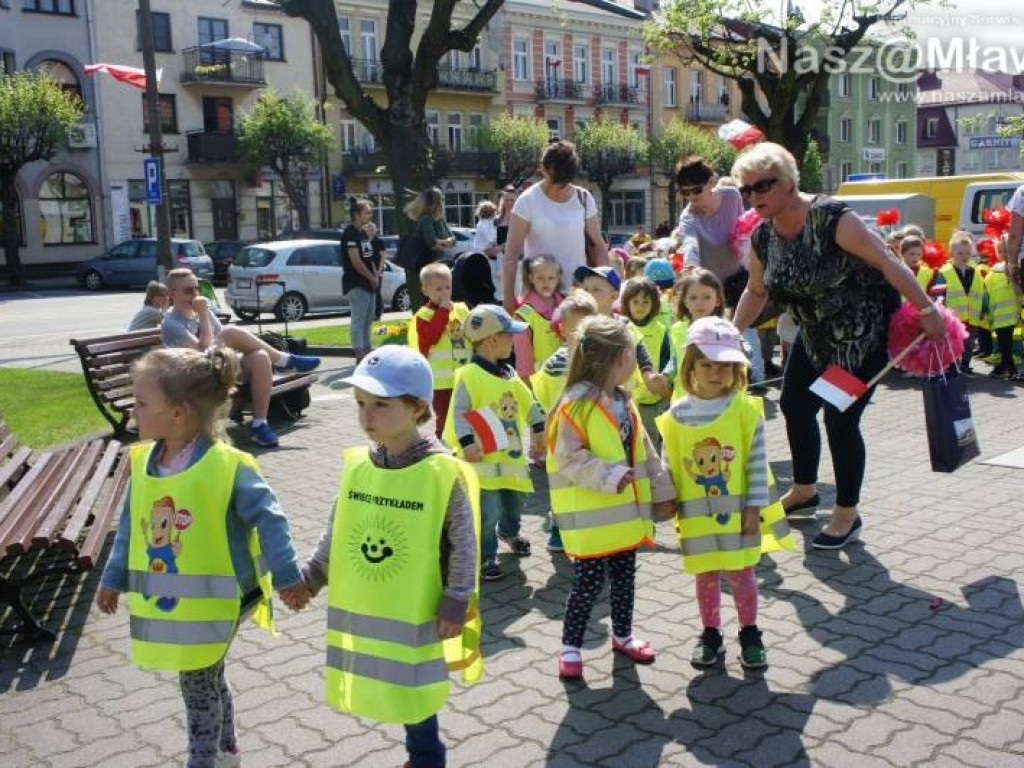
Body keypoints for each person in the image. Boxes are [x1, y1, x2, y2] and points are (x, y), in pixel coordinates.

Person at [96, 346, 310, 768]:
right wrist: (112, 578)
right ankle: (227, 751)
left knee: (196, 684)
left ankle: (204, 760)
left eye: (141, 403)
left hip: (224, 599)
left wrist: (287, 577)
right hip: (185, 607)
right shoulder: (145, 464)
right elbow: (129, 528)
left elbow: (270, 520)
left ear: (178, 412)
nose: (132, 411)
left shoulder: (227, 465)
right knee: (207, 677)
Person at [730, 142, 946, 550]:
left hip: (860, 339)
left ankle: (847, 512)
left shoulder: (833, 219)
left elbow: (887, 261)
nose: (754, 196)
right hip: (814, 338)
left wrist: (926, 309)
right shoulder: (762, 235)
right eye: (746, 190)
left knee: (838, 417)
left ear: (789, 182)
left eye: (762, 186)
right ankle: (805, 489)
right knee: (794, 405)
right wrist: (727, 334)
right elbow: (757, 292)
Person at [301, 345, 481, 768]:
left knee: (416, 686)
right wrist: (313, 573)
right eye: (360, 403)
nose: (366, 416)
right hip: (379, 604)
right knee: (396, 679)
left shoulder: (442, 470)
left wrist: (457, 597)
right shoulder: (361, 465)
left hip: (424, 606)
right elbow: (338, 525)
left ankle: (427, 758)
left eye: (380, 405)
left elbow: (463, 541)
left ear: (417, 406)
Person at [656, 317, 795, 670]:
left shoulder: (745, 409)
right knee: (706, 575)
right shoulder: (676, 414)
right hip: (696, 519)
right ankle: (711, 633)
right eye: (707, 365)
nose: (716, 372)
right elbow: (668, 460)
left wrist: (754, 506)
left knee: (742, 574)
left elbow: (756, 461)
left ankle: (750, 632)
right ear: (690, 366)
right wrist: (666, 498)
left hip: (738, 518)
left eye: (725, 366)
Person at [547, 316, 676, 678]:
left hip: (625, 517)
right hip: (593, 519)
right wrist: (612, 476)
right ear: (621, 357)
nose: (638, 361)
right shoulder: (575, 405)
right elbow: (568, 458)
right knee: (586, 585)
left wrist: (663, 493)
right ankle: (570, 647)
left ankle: (623, 635)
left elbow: (646, 450)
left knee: (624, 579)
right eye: (635, 353)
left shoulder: (624, 401)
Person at [160, 268, 321, 448]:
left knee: (260, 357)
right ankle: (284, 361)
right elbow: (203, 350)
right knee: (229, 332)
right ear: (172, 294)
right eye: (188, 290)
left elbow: (220, 343)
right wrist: (204, 314)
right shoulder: (171, 323)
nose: (195, 294)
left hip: (218, 367)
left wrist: (206, 316)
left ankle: (260, 424)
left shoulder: (201, 309)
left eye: (197, 288)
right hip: (195, 378)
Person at [444, 305, 546, 581]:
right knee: (488, 511)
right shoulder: (469, 376)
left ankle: (510, 533)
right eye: (509, 336)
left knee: (515, 503)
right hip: (482, 461)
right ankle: (486, 556)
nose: (514, 341)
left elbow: (529, 402)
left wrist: (539, 428)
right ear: (492, 339)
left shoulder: (509, 374)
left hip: (510, 458)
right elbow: (459, 412)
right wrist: (467, 444)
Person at [530, 290, 600, 554]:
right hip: (560, 438)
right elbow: (541, 398)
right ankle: (559, 529)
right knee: (561, 485)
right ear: (562, 329)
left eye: (588, 328)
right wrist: (542, 432)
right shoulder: (554, 365)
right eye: (575, 329)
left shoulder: (600, 362)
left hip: (593, 437)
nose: (581, 336)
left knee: (589, 482)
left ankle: (589, 529)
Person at [503, 140, 608, 312]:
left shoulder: (583, 198)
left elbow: (598, 246)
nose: (560, 187)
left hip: (578, 296)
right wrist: (508, 298)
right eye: (555, 180)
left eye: (564, 182)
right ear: (542, 169)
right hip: (539, 297)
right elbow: (511, 254)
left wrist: (602, 287)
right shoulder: (527, 201)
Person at [572, 264, 671, 401]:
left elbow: (640, 351)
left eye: (596, 289)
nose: (588, 293)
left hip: (621, 398)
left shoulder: (624, 325)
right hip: (588, 397)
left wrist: (648, 374)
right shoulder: (581, 325)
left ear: (614, 295)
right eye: (586, 289)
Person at [407, 262, 471, 438]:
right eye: (438, 289)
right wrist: (442, 311)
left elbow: (473, 335)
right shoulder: (423, 315)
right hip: (441, 383)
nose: (444, 293)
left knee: (467, 412)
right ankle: (443, 442)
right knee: (445, 416)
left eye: (447, 288)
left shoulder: (461, 309)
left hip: (464, 376)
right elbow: (430, 338)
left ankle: (464, 442)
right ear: (425, 290)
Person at [620, 277, 672, 450]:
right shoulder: (620, 328)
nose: (640, 306)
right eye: (635, 302)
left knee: (650, 441)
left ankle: (652, 475)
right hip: (627, 398)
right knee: (628, 441)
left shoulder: (660, 330)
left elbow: (667, 359)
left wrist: (665, 382)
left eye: (645, 302)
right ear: (626, 303)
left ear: (654, 304)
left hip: (652, 399)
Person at [664, 268, 726, 399]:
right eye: (693, 297)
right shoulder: (677, 329)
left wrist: (743, 348)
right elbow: (675, 359)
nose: (699, 302)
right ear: (685, 301)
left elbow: (742, 354)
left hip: (714, 400)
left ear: (717, 301)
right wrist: (665, 375)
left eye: (706, 297)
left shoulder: (724, 330)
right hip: (683, 399)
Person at [932, 231, 990, 371]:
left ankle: (965, 364)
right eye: (960, 253)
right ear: (952, 253)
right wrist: (941, 310)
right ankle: (952, 364)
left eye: (967, 253)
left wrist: (983, 308)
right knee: (952, 342)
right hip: (953, 316)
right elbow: (939, 293)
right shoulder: (945, 272)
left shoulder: (975, 271)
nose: (964, 256)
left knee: (969, 342)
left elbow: (981, 291)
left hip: (971, 316)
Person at [513, 254, 565, 380]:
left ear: (558, 279)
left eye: (551, 278)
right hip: (539, 384)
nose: (545, 283)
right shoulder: (524, 315)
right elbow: (523, 362)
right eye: (540, 278)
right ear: (531, 278)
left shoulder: (567, 307)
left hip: (566, 384)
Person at [342, 198, 381, 363]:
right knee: (358, 319)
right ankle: (359, 353)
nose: (370, 215)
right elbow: (356, 261)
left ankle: (367, 350)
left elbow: (369, 258)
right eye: (367, 212)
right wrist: (371, 277)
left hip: (369, 284)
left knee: (368, 318)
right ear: (357, 214)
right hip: (356, 283)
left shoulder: (363, 233)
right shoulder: (350, 233)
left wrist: (375, 277)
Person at [405, 187, 456, 308]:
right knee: (433, 302)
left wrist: (443, 242)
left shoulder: (440, 219)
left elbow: (453, 240)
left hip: (440, 264)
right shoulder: (426, 219)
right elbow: (433, 244)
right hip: (428, 266)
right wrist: (445, 242)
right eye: (441, 199)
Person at [983, 235, 1024, 380]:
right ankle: (1003, 367)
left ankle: (1009, 368)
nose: (1003, 254)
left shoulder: (1017, 270)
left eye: (1007, 251)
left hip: (1013, 314)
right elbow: (987, 292)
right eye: (1000, 251)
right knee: (1003, 343)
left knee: (1006, 343)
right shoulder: (993, 272)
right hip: (999, 315)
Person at [473, 199, 503, 296]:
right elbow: (490, 238)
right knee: (495, 280)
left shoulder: (482, 223)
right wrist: (500, 242)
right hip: (487, 254)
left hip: (484, 253)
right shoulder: (486, 223)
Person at [364, 219, 387, 320]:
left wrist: (379, 271)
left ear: (375, 231)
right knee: (368, 292)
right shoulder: (364, 241)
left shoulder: (379, 242)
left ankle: (378, 313)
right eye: (368, 230)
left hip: (377, 270)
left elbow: (383, 257)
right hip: (367, 270)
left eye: (372, 229)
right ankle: (369, 313)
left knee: (377, 292)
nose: (370, 231)